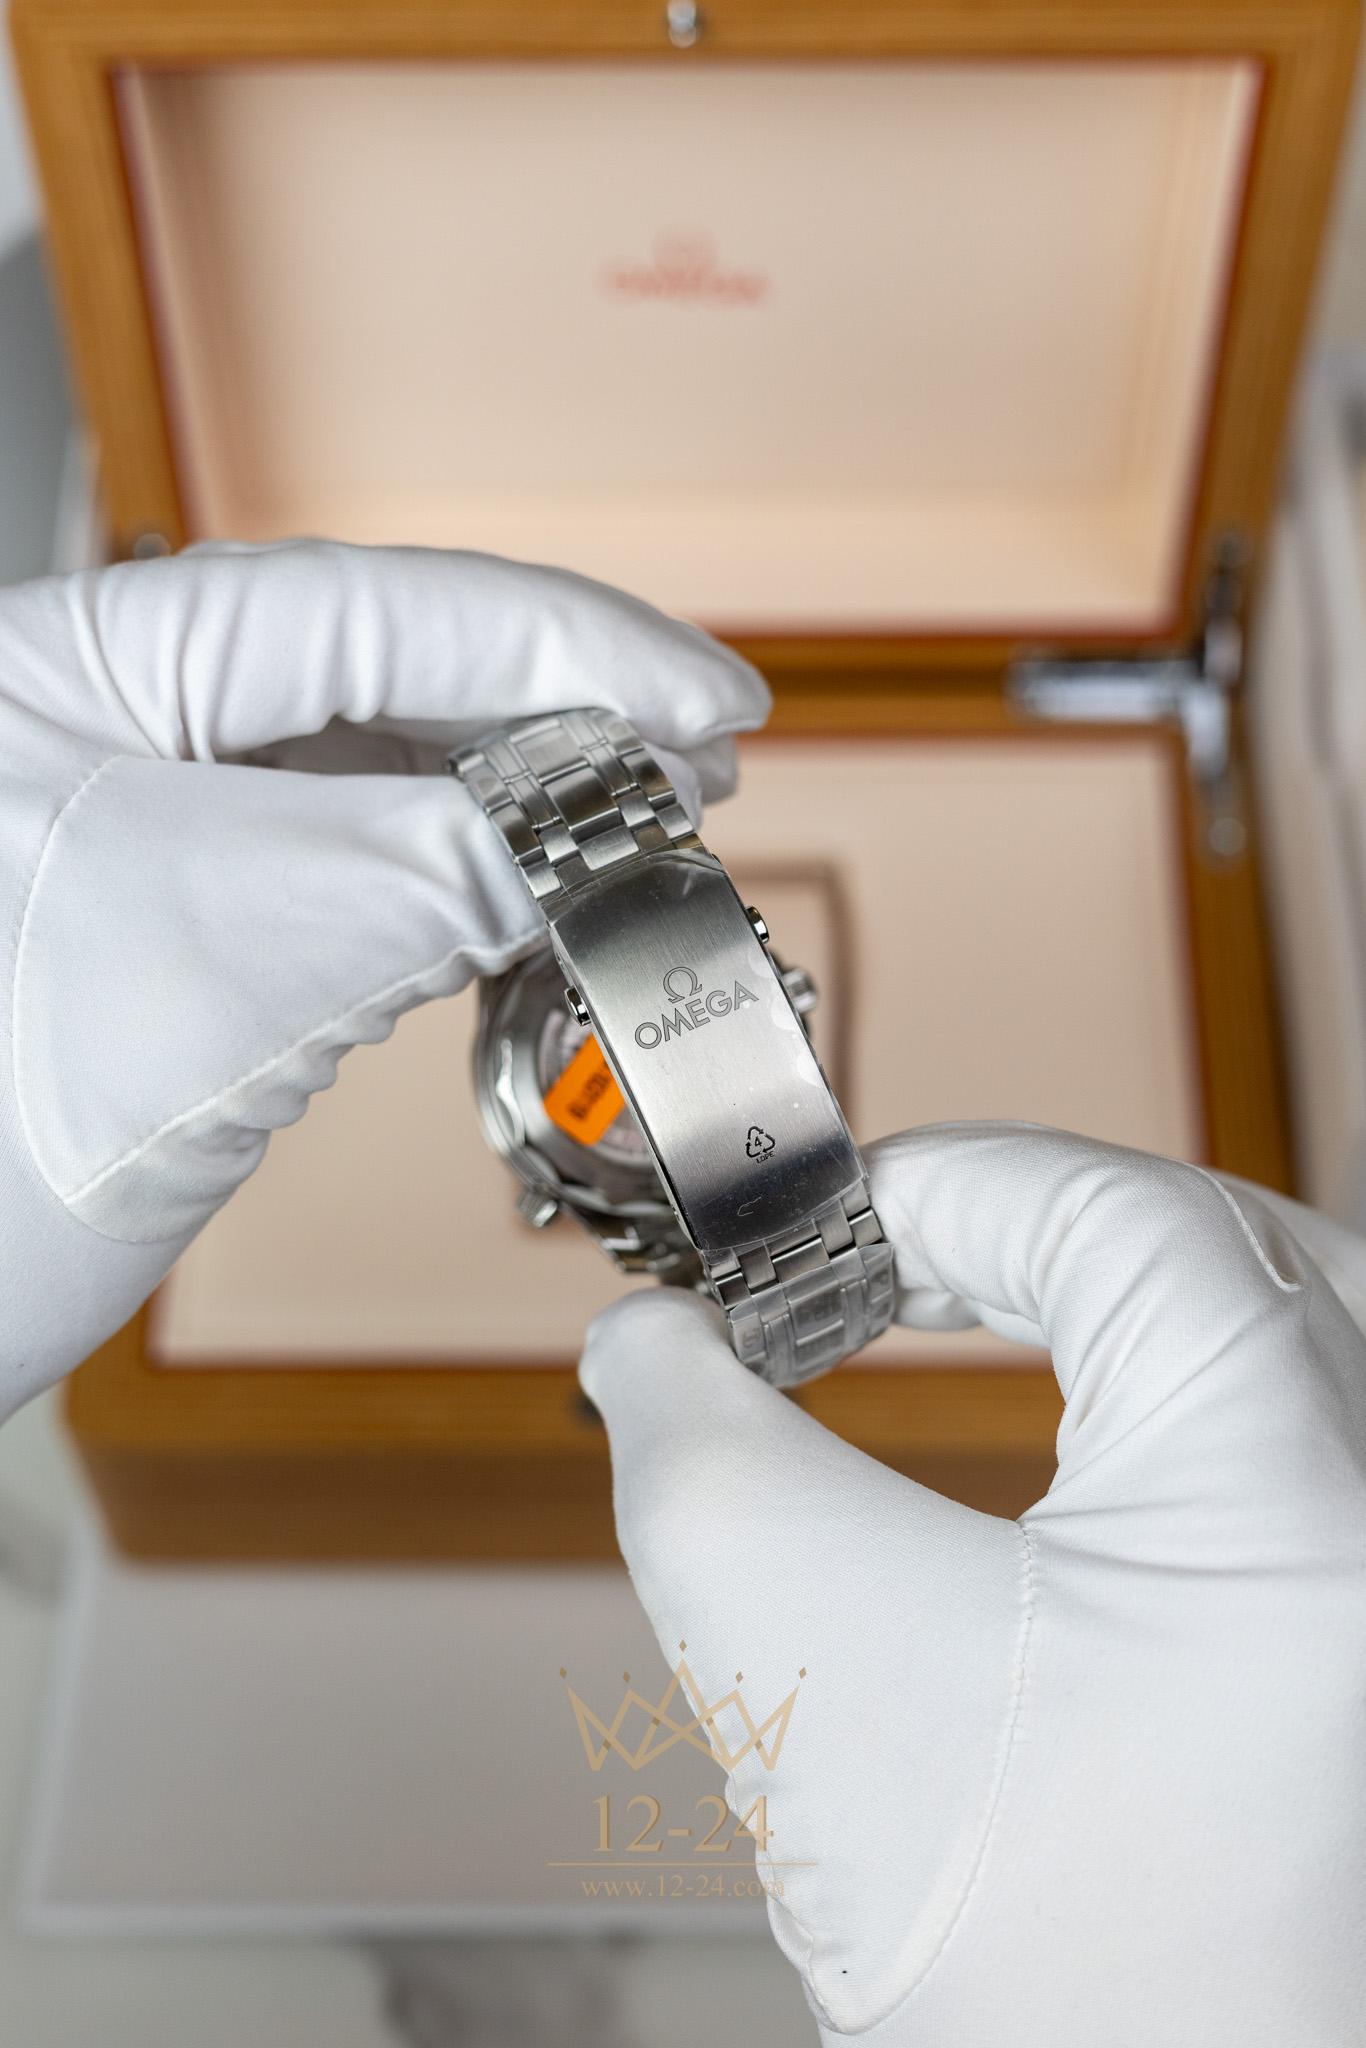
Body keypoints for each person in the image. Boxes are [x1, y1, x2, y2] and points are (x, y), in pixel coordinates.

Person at [2, 542, 1363, 2043]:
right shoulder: (550, 1107)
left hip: (733, 1152)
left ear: (781, 997)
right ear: (539, 1160)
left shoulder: (567, 1109)